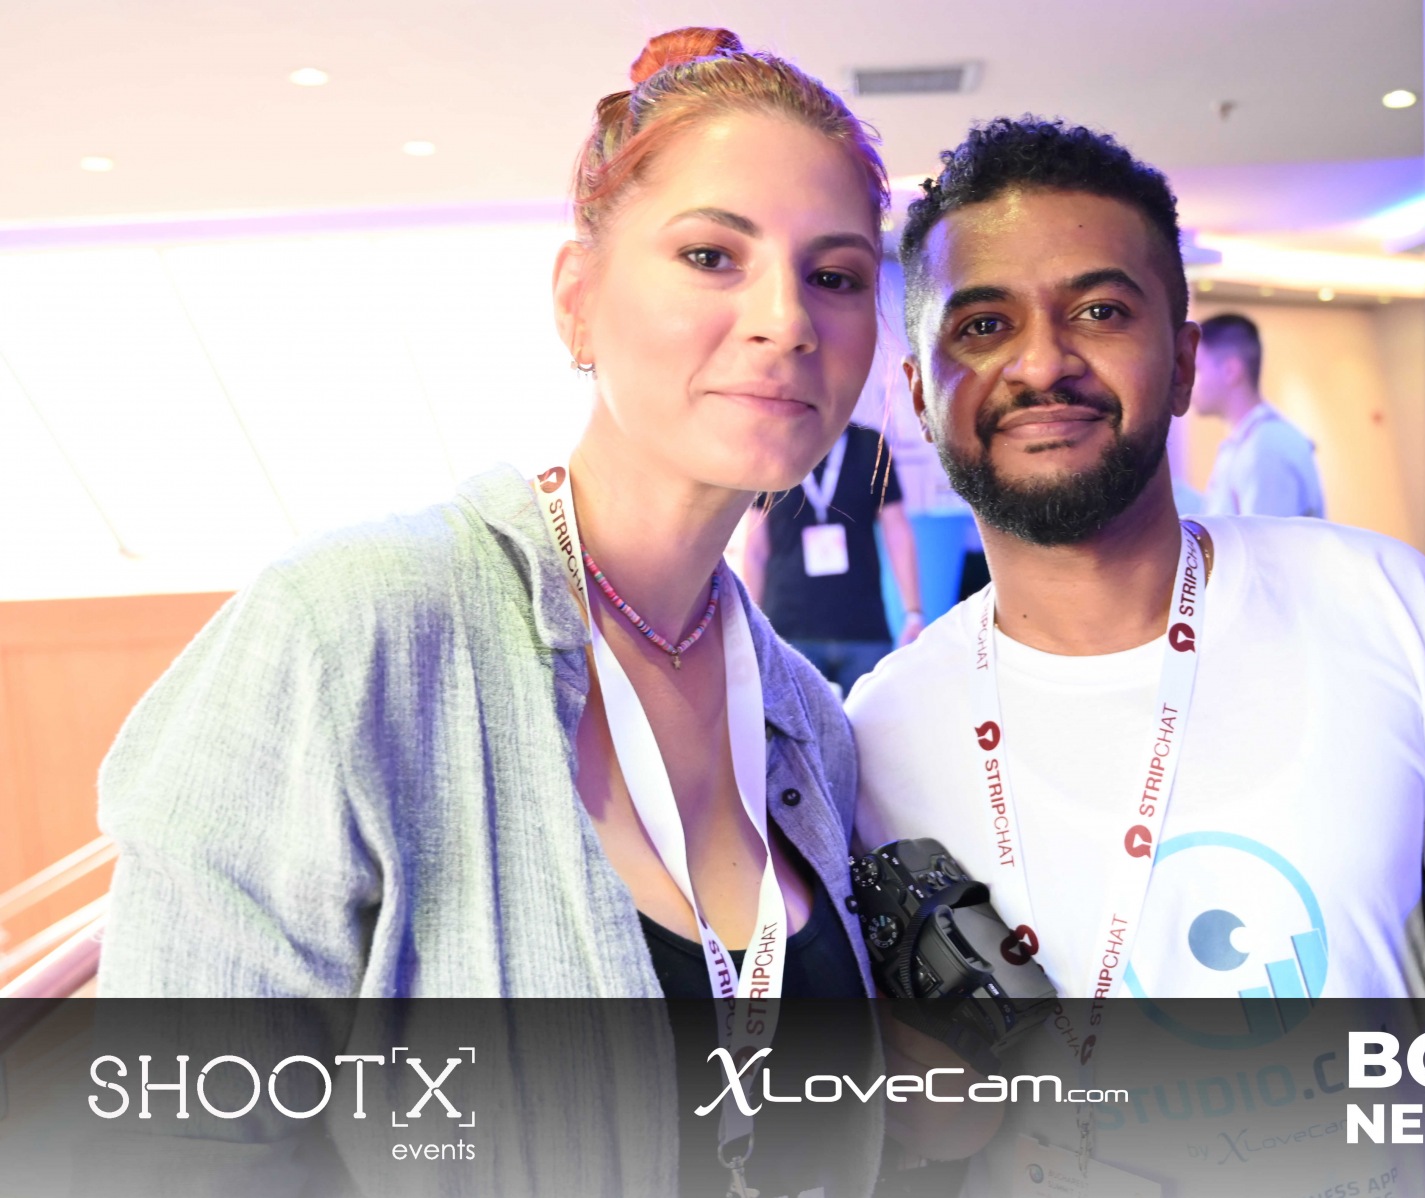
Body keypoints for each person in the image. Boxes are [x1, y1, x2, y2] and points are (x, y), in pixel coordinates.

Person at [95, 27, 887, 1197]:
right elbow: (173, 1148)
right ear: (578, 300)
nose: (787, 318)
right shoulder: (353, 631)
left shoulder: (806, 721)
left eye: (837, 275)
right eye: (712, 255)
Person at [847, 116, 1425, 1190]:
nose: (1043, 360)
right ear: (921, 394)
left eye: (1100, 310)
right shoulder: (878, 732)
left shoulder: (1377, 602)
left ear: (1184, 362)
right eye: (982, 324)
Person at [744, 421, 925, 693]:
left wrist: (913, 613)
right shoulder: (771, 446)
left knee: (871, 719)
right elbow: (755, 549)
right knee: (794, 720)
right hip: (788, 630)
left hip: (863, 627)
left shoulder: (869, 445)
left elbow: (897, 532)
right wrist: (750, 625)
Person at [1191, 311, 1326, 518]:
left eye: (1197, 369)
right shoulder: (1247, 443)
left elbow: (1268, 538)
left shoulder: (1265, 446)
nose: (1187, 381)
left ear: (1230, 371)